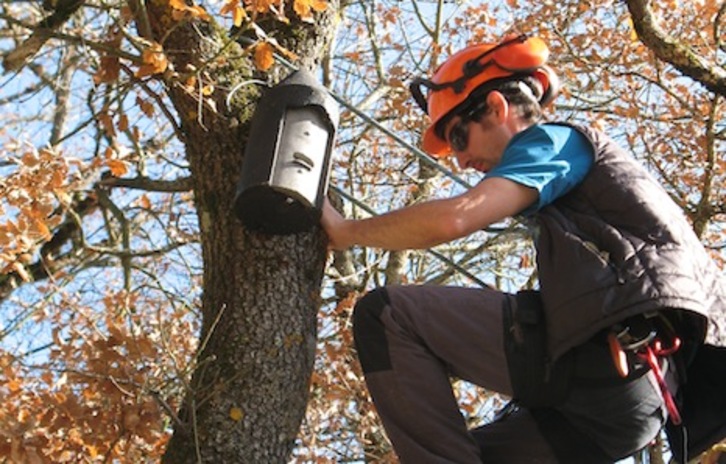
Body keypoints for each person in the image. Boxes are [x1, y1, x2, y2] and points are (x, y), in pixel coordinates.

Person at [321, 34, 726, 463]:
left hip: (607, 361)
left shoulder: (557, 142)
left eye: (459, 138)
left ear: (496, 107)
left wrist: (343, 230)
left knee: (389, 316)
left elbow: (455, 217)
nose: (459, 161)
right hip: (630, 412)